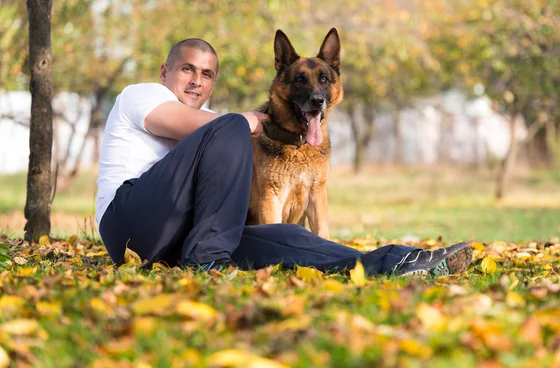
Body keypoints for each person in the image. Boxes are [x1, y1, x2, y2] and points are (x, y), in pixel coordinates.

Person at [95, 38, 473, 278]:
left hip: (183, 241)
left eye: (207, 74)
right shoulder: (141, 94)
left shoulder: (215, 127)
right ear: (165, 72)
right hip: (128, 225)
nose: (197, 81)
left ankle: (400, 262)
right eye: (187, 69)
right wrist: (250, 121)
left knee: (288, 237)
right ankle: (207, 258)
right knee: (231, 127)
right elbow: (183, 123)